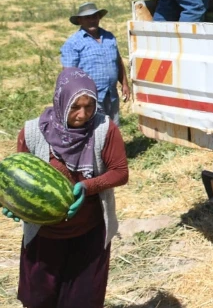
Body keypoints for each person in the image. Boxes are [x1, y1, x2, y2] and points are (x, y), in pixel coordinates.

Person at [2, 68, 129, 308]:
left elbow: (120, 172)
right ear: (61, 101)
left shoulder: (104, 129)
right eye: (75, 107)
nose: (83, 114)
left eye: (89, 105)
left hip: (88, 234)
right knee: (40, 301)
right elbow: (16, 179)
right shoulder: (33, 132)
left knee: (82, 301)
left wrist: (88, 186)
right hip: (44, 237)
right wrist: (12, 205)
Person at [60, 2, 130, 125]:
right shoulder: (73, 43)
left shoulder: (109, 37)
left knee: (113, 126)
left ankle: (111, 144)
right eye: (87, 18)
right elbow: (68, 74)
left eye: (94, 17)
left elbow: (117, 61)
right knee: (93, 128)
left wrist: (124, 83)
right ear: (80, 20)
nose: (92, 20)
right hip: (88, 97)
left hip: (110, 93)